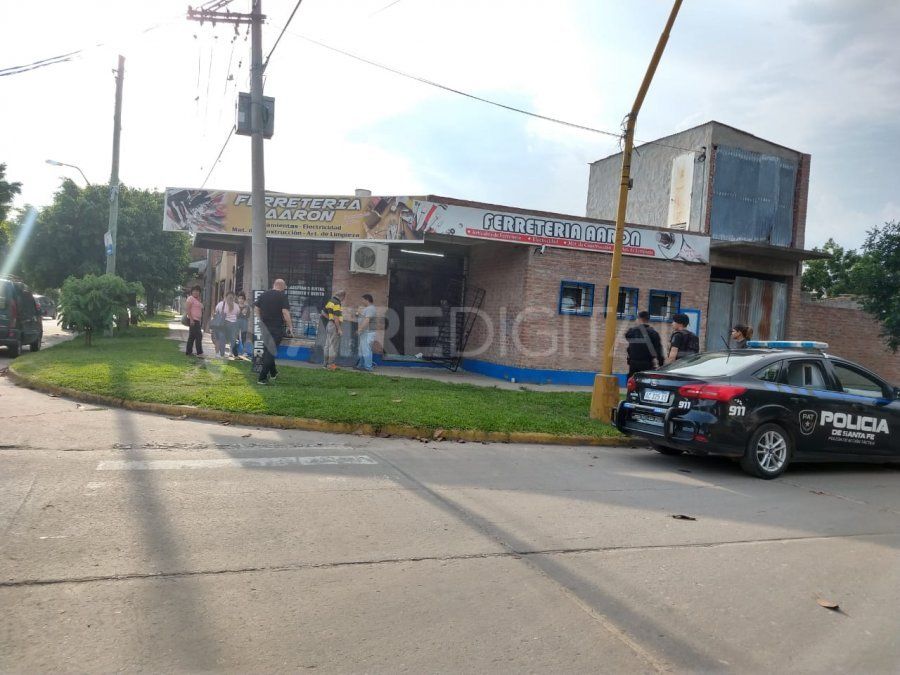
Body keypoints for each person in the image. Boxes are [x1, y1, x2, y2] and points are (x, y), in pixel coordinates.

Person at [254, 279, 294, 385]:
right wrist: (290, 327)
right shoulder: (282, 296)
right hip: (276, 328)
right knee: (270, 352)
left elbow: (256, 308)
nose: (285, 288)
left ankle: (273, 373)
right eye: (285, 286)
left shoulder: (264, 294)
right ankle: (262, 378)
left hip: (265, 328)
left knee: (268, 350)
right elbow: (285, 312)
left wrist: (260, 319)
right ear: (281, 286)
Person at [624, 310, 663, 376]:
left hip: (633, 363)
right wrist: (661, 364)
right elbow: (658, 350)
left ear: (639, 319)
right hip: (647, 363)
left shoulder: (631, 332)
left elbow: (629, 343)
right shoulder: (653, 333)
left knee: (633, 382)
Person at [321, 290, 345, 371]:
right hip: (334, 325)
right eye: (343, 298)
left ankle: (325, 364)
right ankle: (330, 365)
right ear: (342, 296)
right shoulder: (337, 303)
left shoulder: (330, 301)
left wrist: (330, 319)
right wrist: (339, 329)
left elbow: (323, 312)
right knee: (333, 346)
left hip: (329, 324)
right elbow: (336, 317)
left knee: (327, 345)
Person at [214, 290, 240, 358]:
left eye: (232, 298)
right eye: (229, 297)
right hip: (223, 324)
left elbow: (237, 315)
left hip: (233, 324)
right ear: (226, 297)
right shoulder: (221, 304)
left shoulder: (236, 306)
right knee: (221, 338)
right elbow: (216, 313)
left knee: (233, 339)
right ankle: (219, 354)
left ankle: (231, 352)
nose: (230, 299)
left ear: (234, 298)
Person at [355, 294, 377, 372]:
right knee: (362, 349)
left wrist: (360, 329)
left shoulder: (370, 309)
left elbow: (367, 320)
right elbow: (365, 318)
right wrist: (359, 315)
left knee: (366, 350)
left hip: (368, 332)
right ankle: (360, 365)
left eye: (363, 300)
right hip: (366, 332)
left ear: (367, 299)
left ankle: (368, 367)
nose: (362, 301)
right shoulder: (369, 309)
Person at [184, 285, 204, 357]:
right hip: (193, 320)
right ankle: (199, 353)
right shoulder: (190, 298)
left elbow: (201, 308)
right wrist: (191, 320)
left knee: (192, 336)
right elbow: (188, 309)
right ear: (192, 292)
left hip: (197, 320)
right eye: (194, 291)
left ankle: (188, 352)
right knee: (199, 336)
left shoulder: (197, 299)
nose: (196, 292)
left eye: (198, 291)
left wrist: (199, 300)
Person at [235, 292, 251, 359]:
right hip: (236, 323)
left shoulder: (247, 307)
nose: (241, 300)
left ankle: (244, 352)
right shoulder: (235, 306)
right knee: (236, 337)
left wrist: (244, 313)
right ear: (238, 299)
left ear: (244, 299)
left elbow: (248, 316)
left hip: (244, 323)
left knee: (244, 337)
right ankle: (233, 351)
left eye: (242, 298)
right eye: (239, 298)